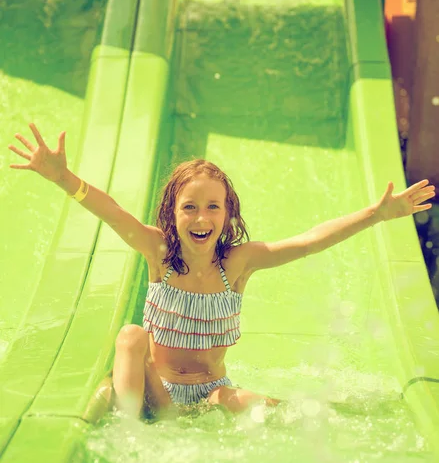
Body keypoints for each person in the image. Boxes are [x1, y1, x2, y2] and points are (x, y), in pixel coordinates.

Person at [8, 123, 436, 418]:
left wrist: (376, 214)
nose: (201, 218)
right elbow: (112, 212)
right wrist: (64, 178)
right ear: (171, 214)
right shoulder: (158, 253)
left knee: (262, 407)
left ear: (228, 214)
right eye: (189, 207)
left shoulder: (238, 263)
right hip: (155, 393)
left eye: (213, 207)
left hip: (210, 395)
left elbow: (309, 241)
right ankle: (129, 430)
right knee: (131, 335)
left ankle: (327, 418)